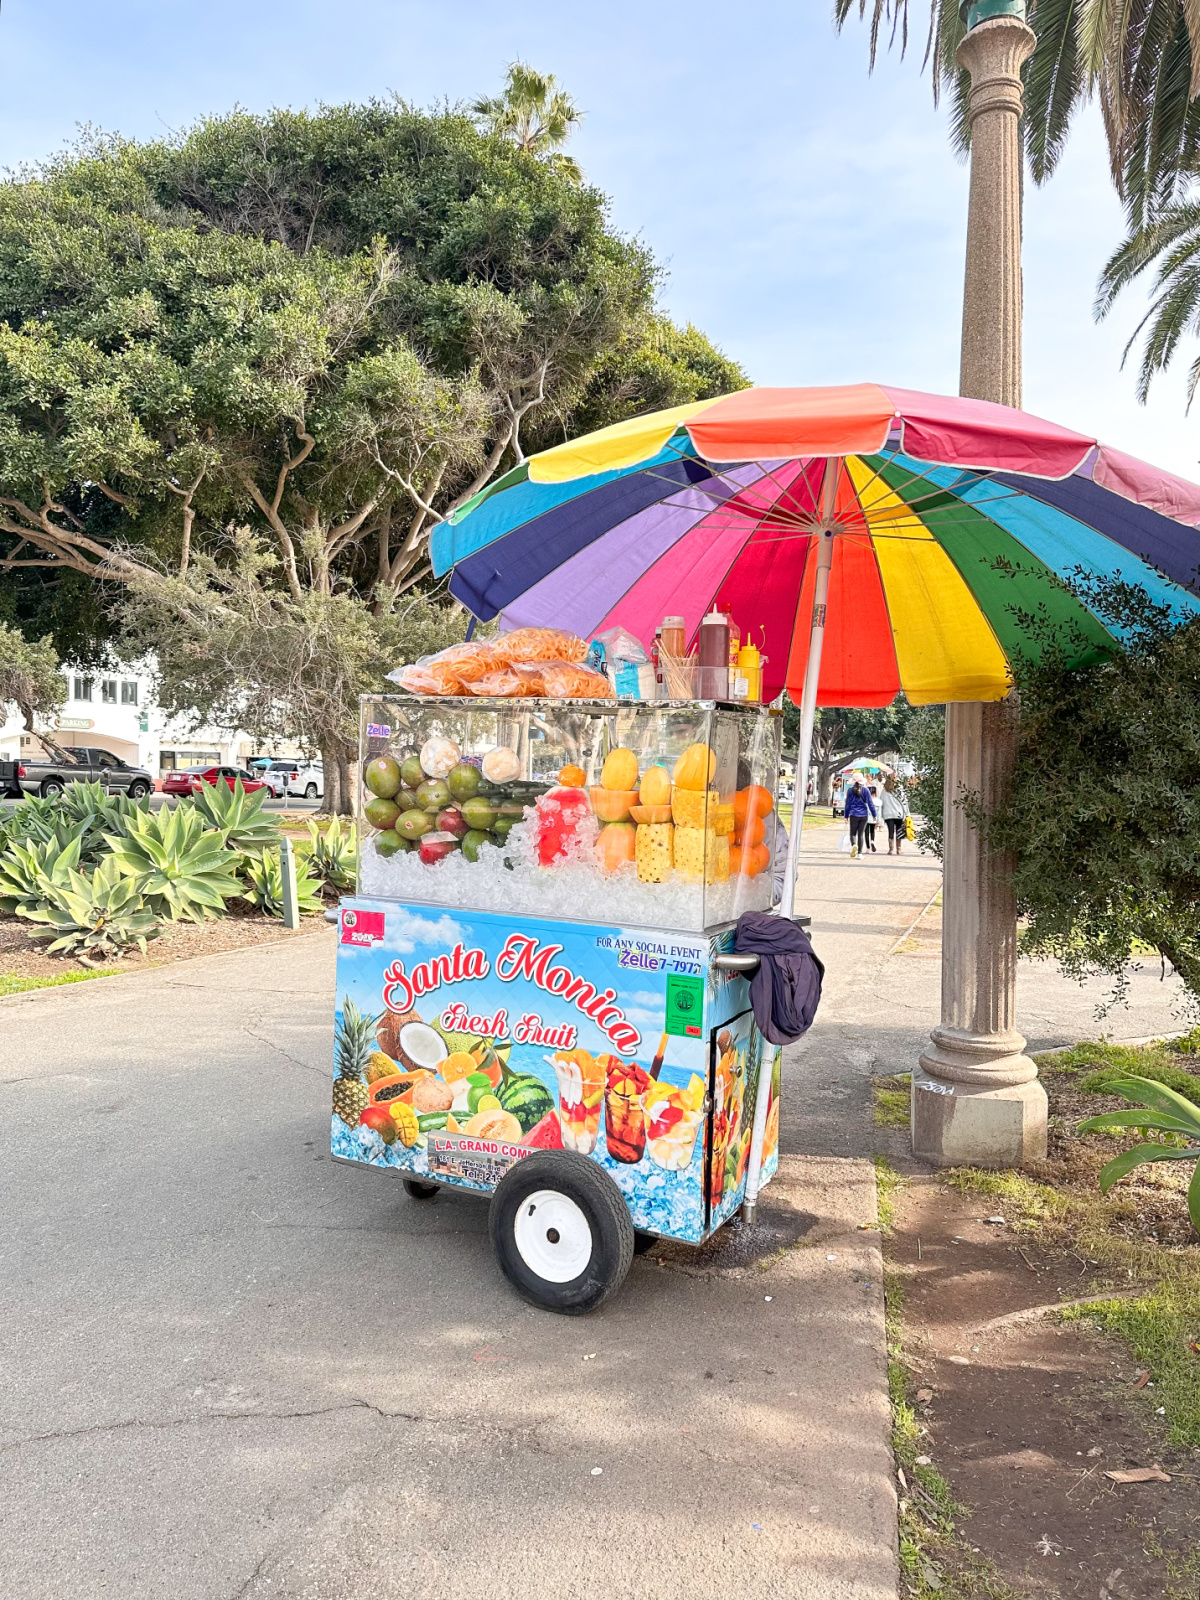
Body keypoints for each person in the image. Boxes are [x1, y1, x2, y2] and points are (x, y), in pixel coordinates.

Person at [843, 778, 875, 859]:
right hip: (864, 815)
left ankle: (854, 845)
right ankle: (860, 853)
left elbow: (848, 804)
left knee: (853, 833)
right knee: (861, 834)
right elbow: (870, 803)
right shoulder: (866, 790)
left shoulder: (850, 791)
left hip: (854, 814)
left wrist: (846, 816)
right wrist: (874, 814)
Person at [879, 774, 910, 854]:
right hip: (899, 813)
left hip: (888, 814)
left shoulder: (884, 791)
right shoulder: (900, 790)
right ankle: (899, 849)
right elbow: (904, 802)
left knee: (891, 831)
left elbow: (881, 803)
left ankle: (891, 849)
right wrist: (907, 814)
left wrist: (881, 815)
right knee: (899, 831)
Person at [865, 784, 879, 853]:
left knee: (866, 833)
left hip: (866, 819)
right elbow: (879, 812)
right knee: (872, 831)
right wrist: (878, 821)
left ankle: (868, 848)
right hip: (874, 819)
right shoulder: (877, 801)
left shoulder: (865, 801)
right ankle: (872, 841)